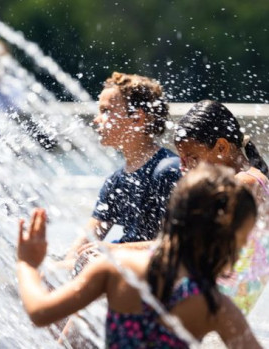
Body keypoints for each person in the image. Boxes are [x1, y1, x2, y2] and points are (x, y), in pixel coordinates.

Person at [17, 164, 262, 348]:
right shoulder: (215, 306)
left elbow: (40, 313)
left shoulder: (117, 269)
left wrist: (27, 264)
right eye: (241, 243)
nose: (240, 254)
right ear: (221, 240)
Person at [64, 72, 181, 267]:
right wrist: (63, 266)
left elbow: (179, 245)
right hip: (125, 268)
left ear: (137, 119)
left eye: (106, 110)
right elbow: (85, 241)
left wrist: (114, 249)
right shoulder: (116, 180)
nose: (96, 120)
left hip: (154, 275)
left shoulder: (169, 170)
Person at [175, 100, 269, 313]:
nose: (183, 167)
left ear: (222, 147)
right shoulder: (250, 179)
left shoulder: (245, 183)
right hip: (221, 300)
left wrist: (113, 251)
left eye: (192, 158)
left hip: (220, 305)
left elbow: (184, 244)